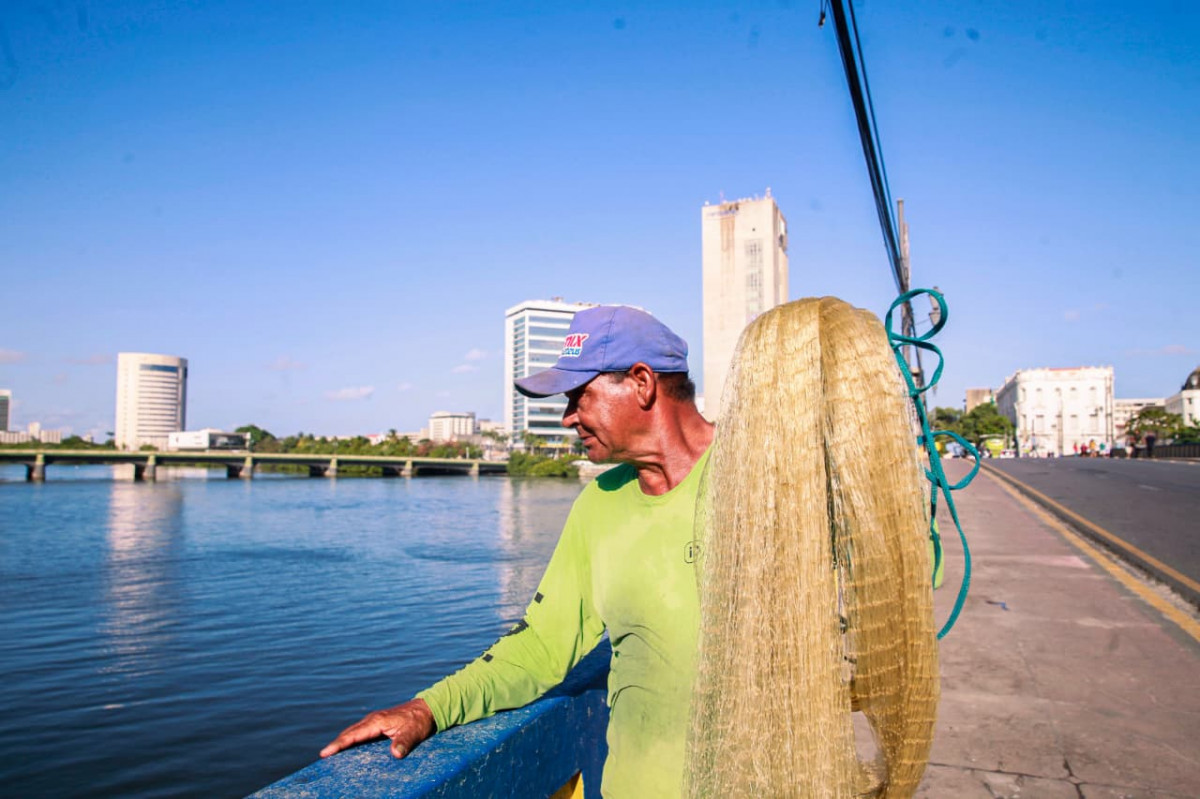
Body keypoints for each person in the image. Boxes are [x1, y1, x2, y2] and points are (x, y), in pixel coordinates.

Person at [320, 305, 715, 797]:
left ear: (641, 382)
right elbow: (542, 646)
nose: (569, 415)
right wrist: (428, 709)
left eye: (579, 396)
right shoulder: (600, 503)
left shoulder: (761, 477)